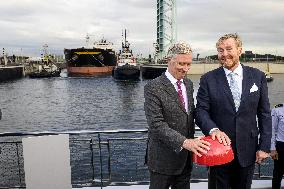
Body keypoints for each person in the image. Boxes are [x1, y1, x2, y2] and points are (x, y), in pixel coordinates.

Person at [195, 33, 272, 189]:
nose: (224, 54)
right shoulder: (208, 79)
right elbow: (201, 111)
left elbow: (264, 114)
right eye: (220, 50)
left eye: (229, 49)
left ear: (239, 50)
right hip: (218, 150)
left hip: (248, 150)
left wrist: (264, 146)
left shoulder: (257, 76)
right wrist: (213, 129)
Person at [144, 42, 211, 189]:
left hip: (185, 160)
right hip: (162, 160)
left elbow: (190, 114)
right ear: (169, 60)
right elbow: (156, 124)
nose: (185, 69)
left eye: (188, 64)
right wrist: (186, 142)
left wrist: (213, 130)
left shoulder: (188, 84)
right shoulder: (153, 87)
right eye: (181, 63)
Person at [271, 103, 284, 189]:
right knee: (278, 173)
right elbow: (272, 129)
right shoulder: (278, 110)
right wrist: (272, 148)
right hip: (282, 146)